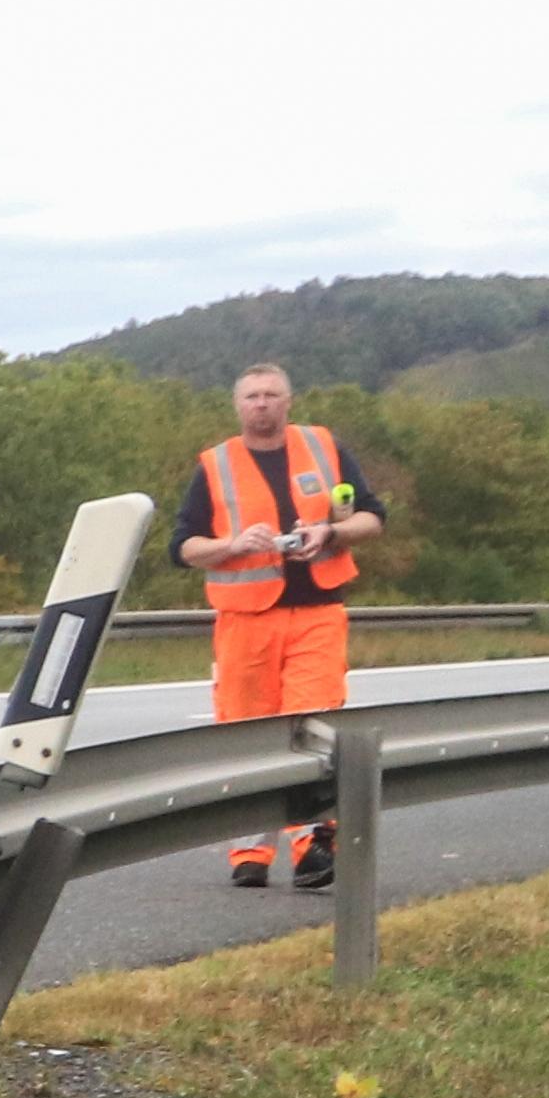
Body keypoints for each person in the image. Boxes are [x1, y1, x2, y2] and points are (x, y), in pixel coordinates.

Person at [176, 362, 386, 886]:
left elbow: (373, 517)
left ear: (289, 400)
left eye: (271, 394)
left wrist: (328, 534)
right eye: (252, 396)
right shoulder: (215, 465)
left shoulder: (323, 447)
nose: (262, 404)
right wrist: (232, 545)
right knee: (247, 731)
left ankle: (314, 845)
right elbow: (183, 546)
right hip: (245, 622)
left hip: (317, 611)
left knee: (310, 724)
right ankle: (250, 853)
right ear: (238, 405)